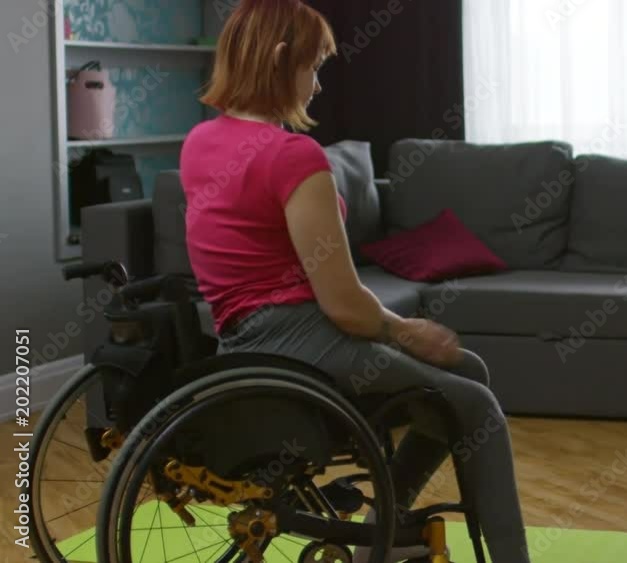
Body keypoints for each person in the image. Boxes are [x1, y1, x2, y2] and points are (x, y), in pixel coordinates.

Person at [178, 1, 531, 562]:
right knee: (479, 408)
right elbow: (344, 304)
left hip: (239, 339)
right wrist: (408, 330)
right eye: (314, 67)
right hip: (299, 338)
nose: (318, 85)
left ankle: (378, 534)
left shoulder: (199, 142)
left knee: (467, 373)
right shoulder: (294, 158)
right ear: (280, 60)